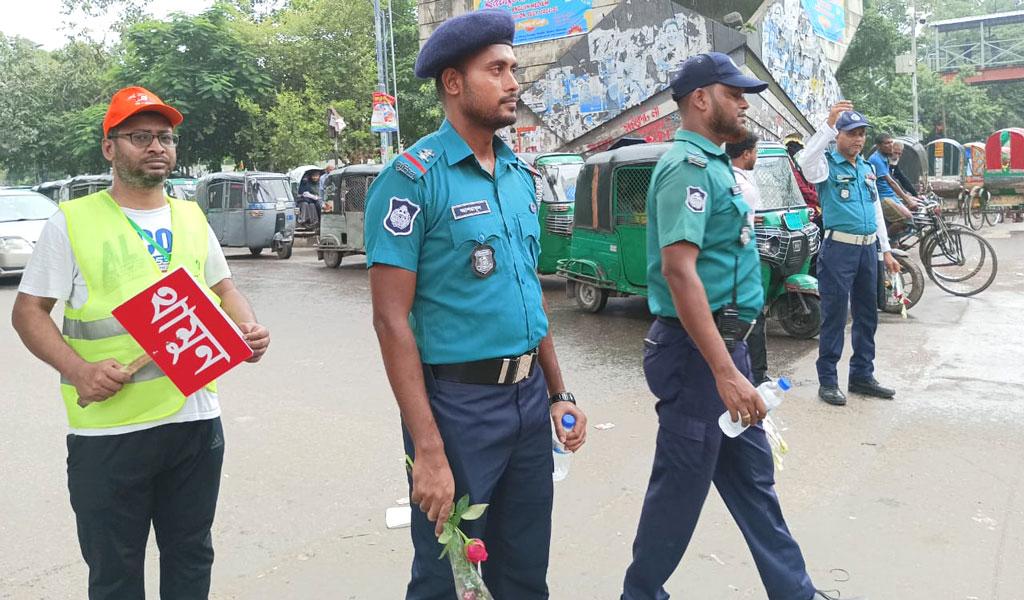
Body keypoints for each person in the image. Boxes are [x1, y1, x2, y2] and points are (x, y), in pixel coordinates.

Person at [10, 86, 270, 599]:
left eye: (165, 137)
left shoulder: (190, 215)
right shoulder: (73, 222)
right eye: (140, 137)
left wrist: (249, 328)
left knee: (191, 557)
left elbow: (224, 286)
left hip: (195, 423)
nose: (157, 147)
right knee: (114, 574)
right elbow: (27, 314)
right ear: (110, 148)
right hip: (110, 435)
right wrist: (80, 370)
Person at [363, 10, 587, 600]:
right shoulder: (411, 180)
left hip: (527, 401)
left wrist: (558, 392)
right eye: (497, 69)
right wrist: (429, 453)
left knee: (523, 573)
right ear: (453, 83)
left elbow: (528, 295)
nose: (514, 81)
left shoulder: (517, 175)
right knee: (448, 578)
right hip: (458, 411)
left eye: (513, 68)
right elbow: (391, 321)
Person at [621, 53, 855, 600]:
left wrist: (735, 362)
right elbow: (680, 273)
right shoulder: (687, 168)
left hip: (729, 353)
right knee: (679, 491)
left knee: (754, 482)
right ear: (701, 99)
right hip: (698, 358)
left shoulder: (718, 164)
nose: (745, 102)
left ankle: (795, 592)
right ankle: (641, 593)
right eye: (735, 92)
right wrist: (724, 371)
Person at [799, 103, 900, 406]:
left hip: (868, 249)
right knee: (834, 316)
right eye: (851, 134)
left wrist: (886, 250)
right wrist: (827, 126)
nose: (857, 140)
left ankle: (861, 376)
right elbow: (804, 160)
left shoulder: (867, 169)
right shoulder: (826, 165)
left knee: (867, 315)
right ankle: (828, 380)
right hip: (839, 249)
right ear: (838, 136)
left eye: (861, 134)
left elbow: (875, 211)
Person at [727, 131, 770, 386]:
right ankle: (756, 376)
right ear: (746, 154)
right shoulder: (743, 186)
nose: (757, 155)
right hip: (741, 261)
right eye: (756, 151)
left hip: (736, 260)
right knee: (752, 317)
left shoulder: (728, 179)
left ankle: (754, 373)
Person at [868, 133, 919, 227]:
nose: (891, 145)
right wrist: (908, 200)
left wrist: (913, 195)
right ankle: (888, 240)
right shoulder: (876, 159)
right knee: (907, 218)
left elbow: (899, 178)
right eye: (887, 143)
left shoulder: (885, 158)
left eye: (891, 142)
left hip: (890, 195)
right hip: (883, 197)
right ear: (879, 146)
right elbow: (891, 182)